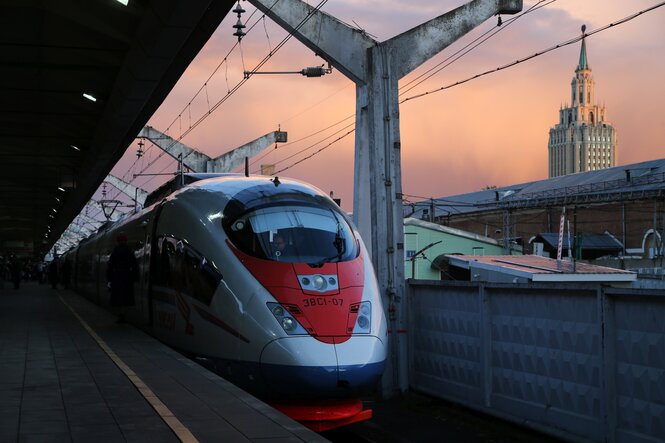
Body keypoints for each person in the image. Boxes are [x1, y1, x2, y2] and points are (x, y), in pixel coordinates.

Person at [107, 232, 138, 323]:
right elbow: (134, 265)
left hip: (117, 276)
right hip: (127, 276)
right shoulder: (130, 251)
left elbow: (110, 265)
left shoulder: (115, 251)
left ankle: (120, 315)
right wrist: (134, 277)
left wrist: (109, 278)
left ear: (118, 241)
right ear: (125, 241)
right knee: (126, 297)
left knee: (118, 297)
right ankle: (123, 314)